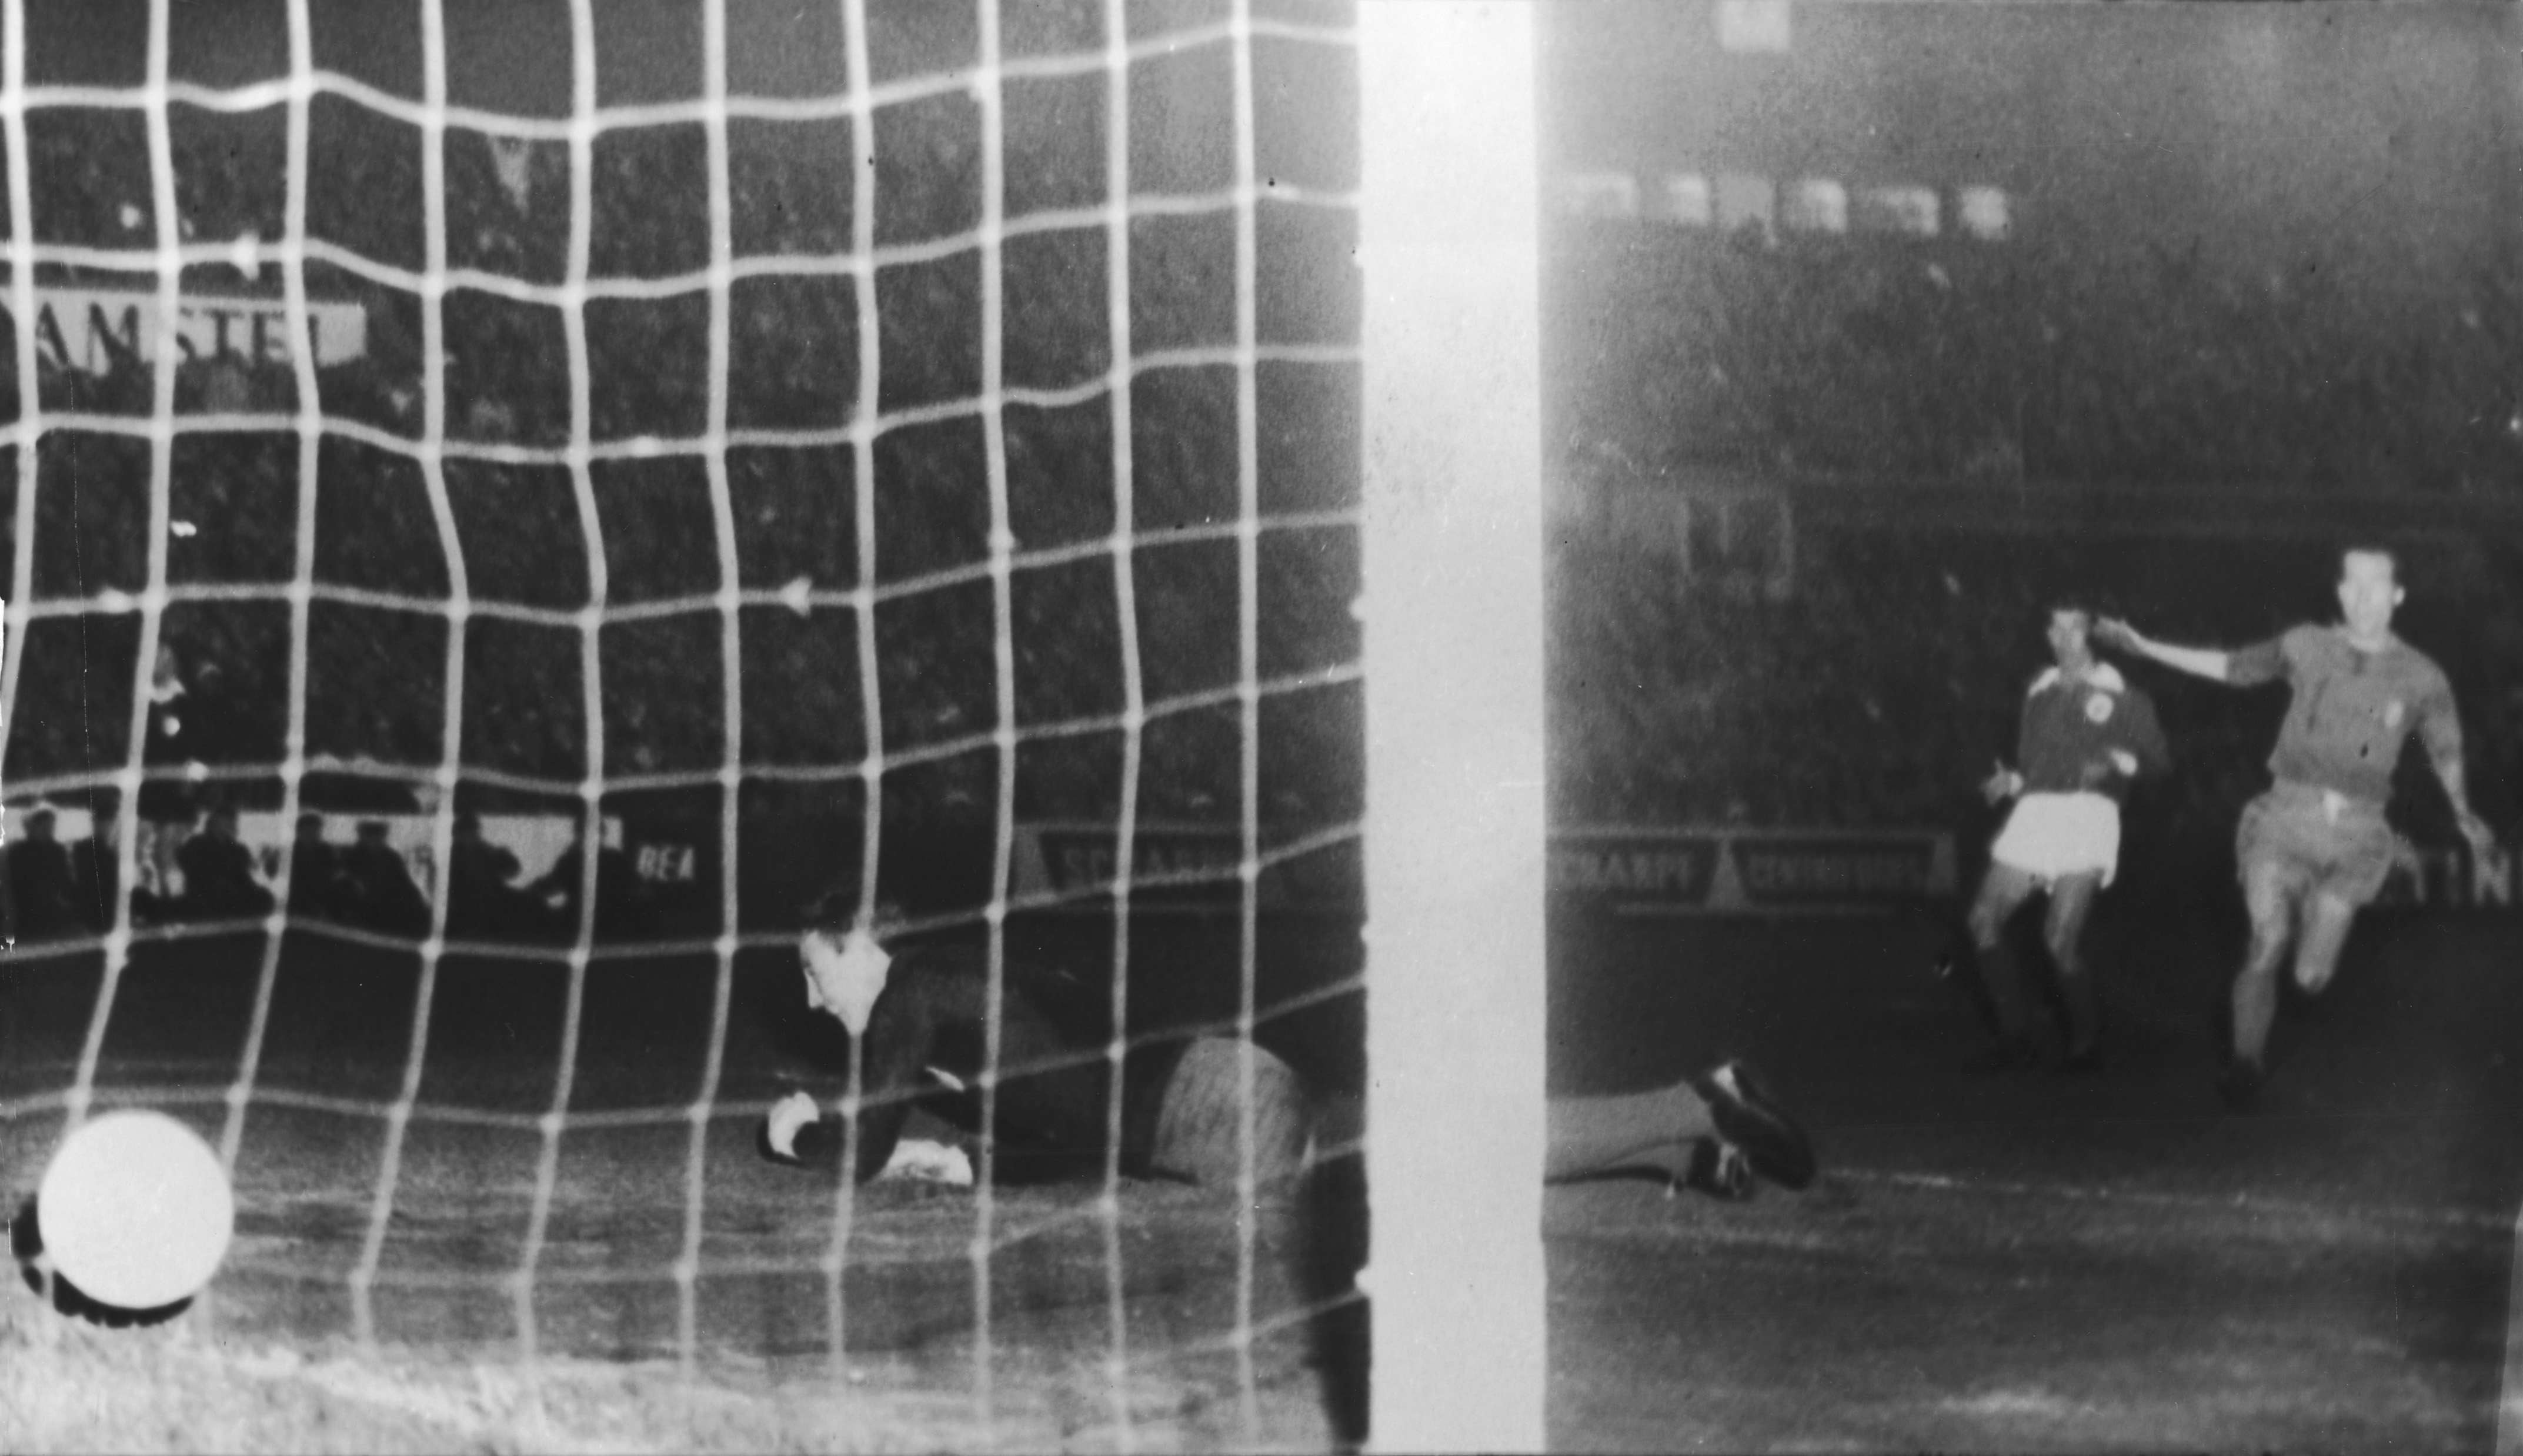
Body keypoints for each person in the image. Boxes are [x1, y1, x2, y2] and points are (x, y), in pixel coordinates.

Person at [759, 927, 1817, 1200]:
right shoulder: (952, 988)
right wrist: (975, 1168)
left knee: (1447, 1168)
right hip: (1210, 1092)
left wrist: (806, 1135)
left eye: (817, 972)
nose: (815, 999)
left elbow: (862, 1152)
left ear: (858, 944)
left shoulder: (908, 997)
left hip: (1211, 1115)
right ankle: (1684, 1152)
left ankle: (1697, 1099)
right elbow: (1069, 1113)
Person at [2097, 546, 2499, 1110]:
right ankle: (2245, 1064)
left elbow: (2447, 747)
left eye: (2377, 586)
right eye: (2353, 585)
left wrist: (2462, 811)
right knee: (2266, 942)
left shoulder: (2423, 676)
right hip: (2284, 817)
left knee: (2310, 977)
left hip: (2357, 835)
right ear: (2339, 592)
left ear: (2398, 595)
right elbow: (2231, 666)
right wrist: (2144, 645)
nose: (2363, 598)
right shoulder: (2306, 642)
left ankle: (2318, 912)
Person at [1950, 603, 2169, 1075]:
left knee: (2058, 942)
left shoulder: (2125, 695)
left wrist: (2115, 763)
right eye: (2057, 626)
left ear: (2091, 632)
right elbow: (2034, 767)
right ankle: (2016, 1038)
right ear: (2048, 633)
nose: (2066, 636)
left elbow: (2158, 763)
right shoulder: (2039, 689)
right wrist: (2011, 782)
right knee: (1983, 922)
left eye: (2076, 627)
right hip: (2037, 814)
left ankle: (2086, 1044)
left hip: (2089, 816)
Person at [174, 806, 274, 921]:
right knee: (224, 894)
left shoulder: (236, 848)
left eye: (231, 820)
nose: (230, 823)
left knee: (264, 897)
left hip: (235, 891)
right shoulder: (197, 843)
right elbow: (196, 870)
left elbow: (243, 873)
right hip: (208, 891)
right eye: (225, 820)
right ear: (213, 823)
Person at [8, 809, 82, 941]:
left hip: (54, 907)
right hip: (30, 909)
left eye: (51, 827)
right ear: (34, 827)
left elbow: (65, 879)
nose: (48, 831)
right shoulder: (19, 852)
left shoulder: (57, 850)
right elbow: (22, 885)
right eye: (44, 827)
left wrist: (71, 898)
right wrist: (56, 898)